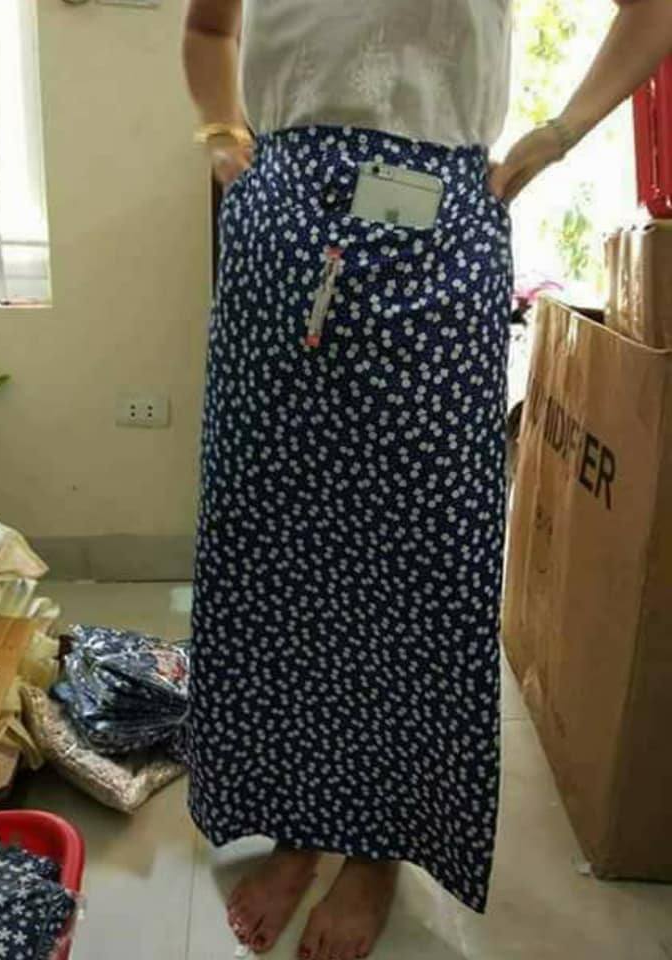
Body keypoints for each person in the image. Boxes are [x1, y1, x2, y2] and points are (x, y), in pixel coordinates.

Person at [181, 2, 672, 959]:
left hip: (437, 234)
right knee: (273, 542)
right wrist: (220, 137)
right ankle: (295, 823)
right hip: (280, 227)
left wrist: (554, 136)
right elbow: (208, 30)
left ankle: (380, 846)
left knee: (419, 559)